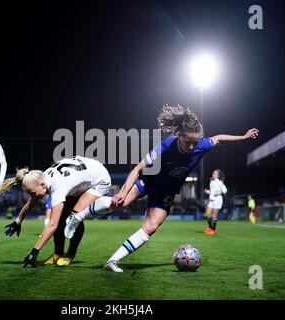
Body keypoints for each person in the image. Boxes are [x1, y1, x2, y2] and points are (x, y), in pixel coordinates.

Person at [64, 104, 259, 272]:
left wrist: (243, 137)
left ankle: (112, 261)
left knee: (150, 227)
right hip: (149, 181)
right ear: (180, 135)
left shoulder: (202, 144)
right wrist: (122, 192)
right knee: (120, 203)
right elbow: (138, 168)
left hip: (167, 191)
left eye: (195, 142)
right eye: (188, 141)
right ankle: (78, 216)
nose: (192, 146)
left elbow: (218, 138)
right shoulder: (166, 146)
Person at [0, 155, 111, 268]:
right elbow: (32, 201)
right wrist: (18, 221)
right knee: (62, 216)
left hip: (99, 179)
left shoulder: (57, 186)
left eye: (32, 193)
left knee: (74, 218)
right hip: (84, 176)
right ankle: (58, 253)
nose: (32, 196)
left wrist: (34, 252)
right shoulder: (43, 178)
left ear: (42, 185)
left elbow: (52, 225)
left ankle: (70, 254)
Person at [203, 169, 227, 235]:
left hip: (218, 199)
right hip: (211, 200)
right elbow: (212, 192)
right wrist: (207, 191)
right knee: (207, 214)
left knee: (214, 215)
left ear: (218, 175)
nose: (214, 174)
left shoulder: (220, 182)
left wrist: (218, 192)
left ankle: (213, 230)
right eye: (213, 173)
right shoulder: (211, 182)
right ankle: (210, 228)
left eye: (215, 174)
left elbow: (225, 190)